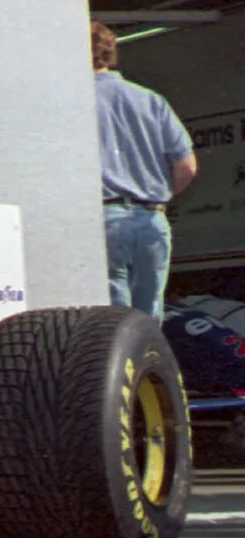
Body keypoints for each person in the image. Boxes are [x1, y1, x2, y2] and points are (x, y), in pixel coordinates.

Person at [93, 20, 196, 316]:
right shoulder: (150, 100)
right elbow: (186, 165)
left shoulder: (73, 100)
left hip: (104, 216)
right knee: (148, 319)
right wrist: (156, 199)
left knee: (114, 319)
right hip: (151, 218)